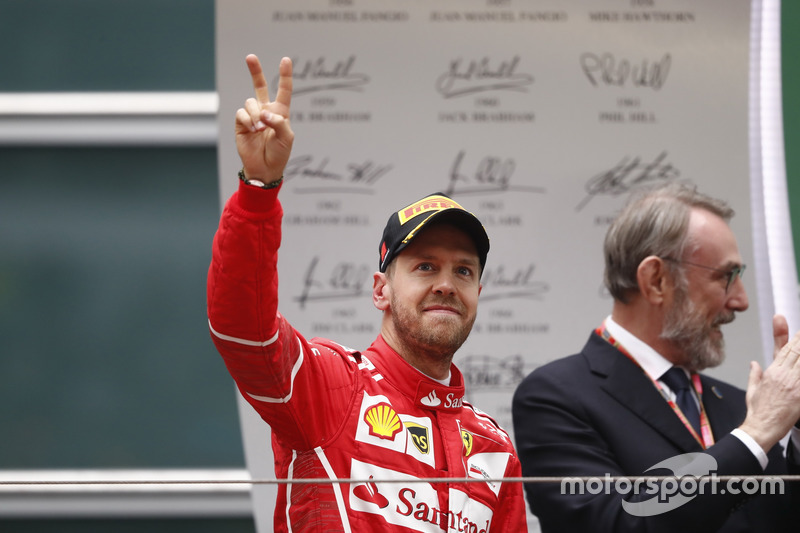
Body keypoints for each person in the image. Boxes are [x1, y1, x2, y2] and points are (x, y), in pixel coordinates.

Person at [207, 54, 527, 532]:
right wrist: (258, 190)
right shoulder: (330, 387)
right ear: (381, 290)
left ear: (478, 292)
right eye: (424, 266)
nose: (445, 283)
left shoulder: (494, 449)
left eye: (463, 270)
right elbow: (242, 330)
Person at [512, 183, 800, 532]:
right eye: (726, 277)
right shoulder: (556, 397)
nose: (741, 301)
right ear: (656, 280)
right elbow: (619, 524)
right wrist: (755, 434)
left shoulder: (739, 405)